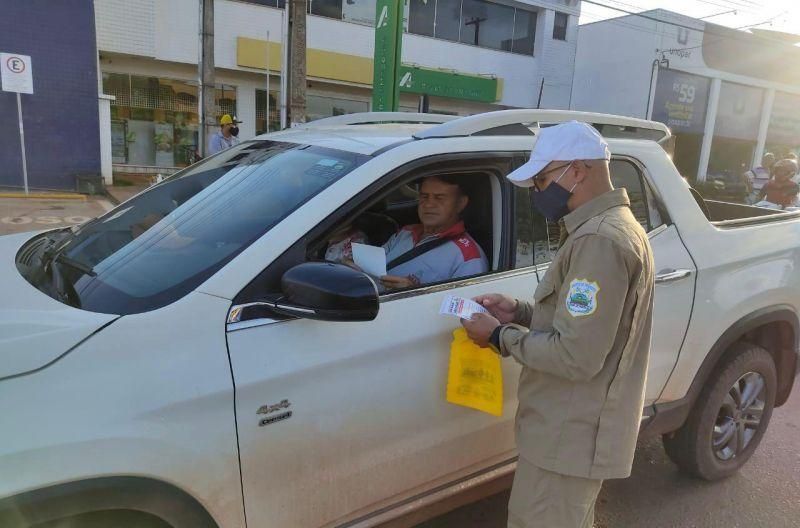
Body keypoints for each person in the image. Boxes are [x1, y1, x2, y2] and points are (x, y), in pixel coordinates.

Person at [461, 121, 655, 528]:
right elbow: (584, 324)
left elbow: (576, 356)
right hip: (568, 433)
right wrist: (521, 313)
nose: (538, 192)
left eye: (543, 179)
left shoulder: (599, 240)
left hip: (569, 436)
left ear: (579, 170)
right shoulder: (606, 228)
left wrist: (499, 335)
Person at [380, 175, 488, 290]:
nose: (428, 204)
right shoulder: (405, 232)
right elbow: (375, 263)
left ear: (460, 203)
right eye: (424, 196)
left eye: (439, 198)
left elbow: (463, 306)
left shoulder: (469, 257)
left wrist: (413, 292)